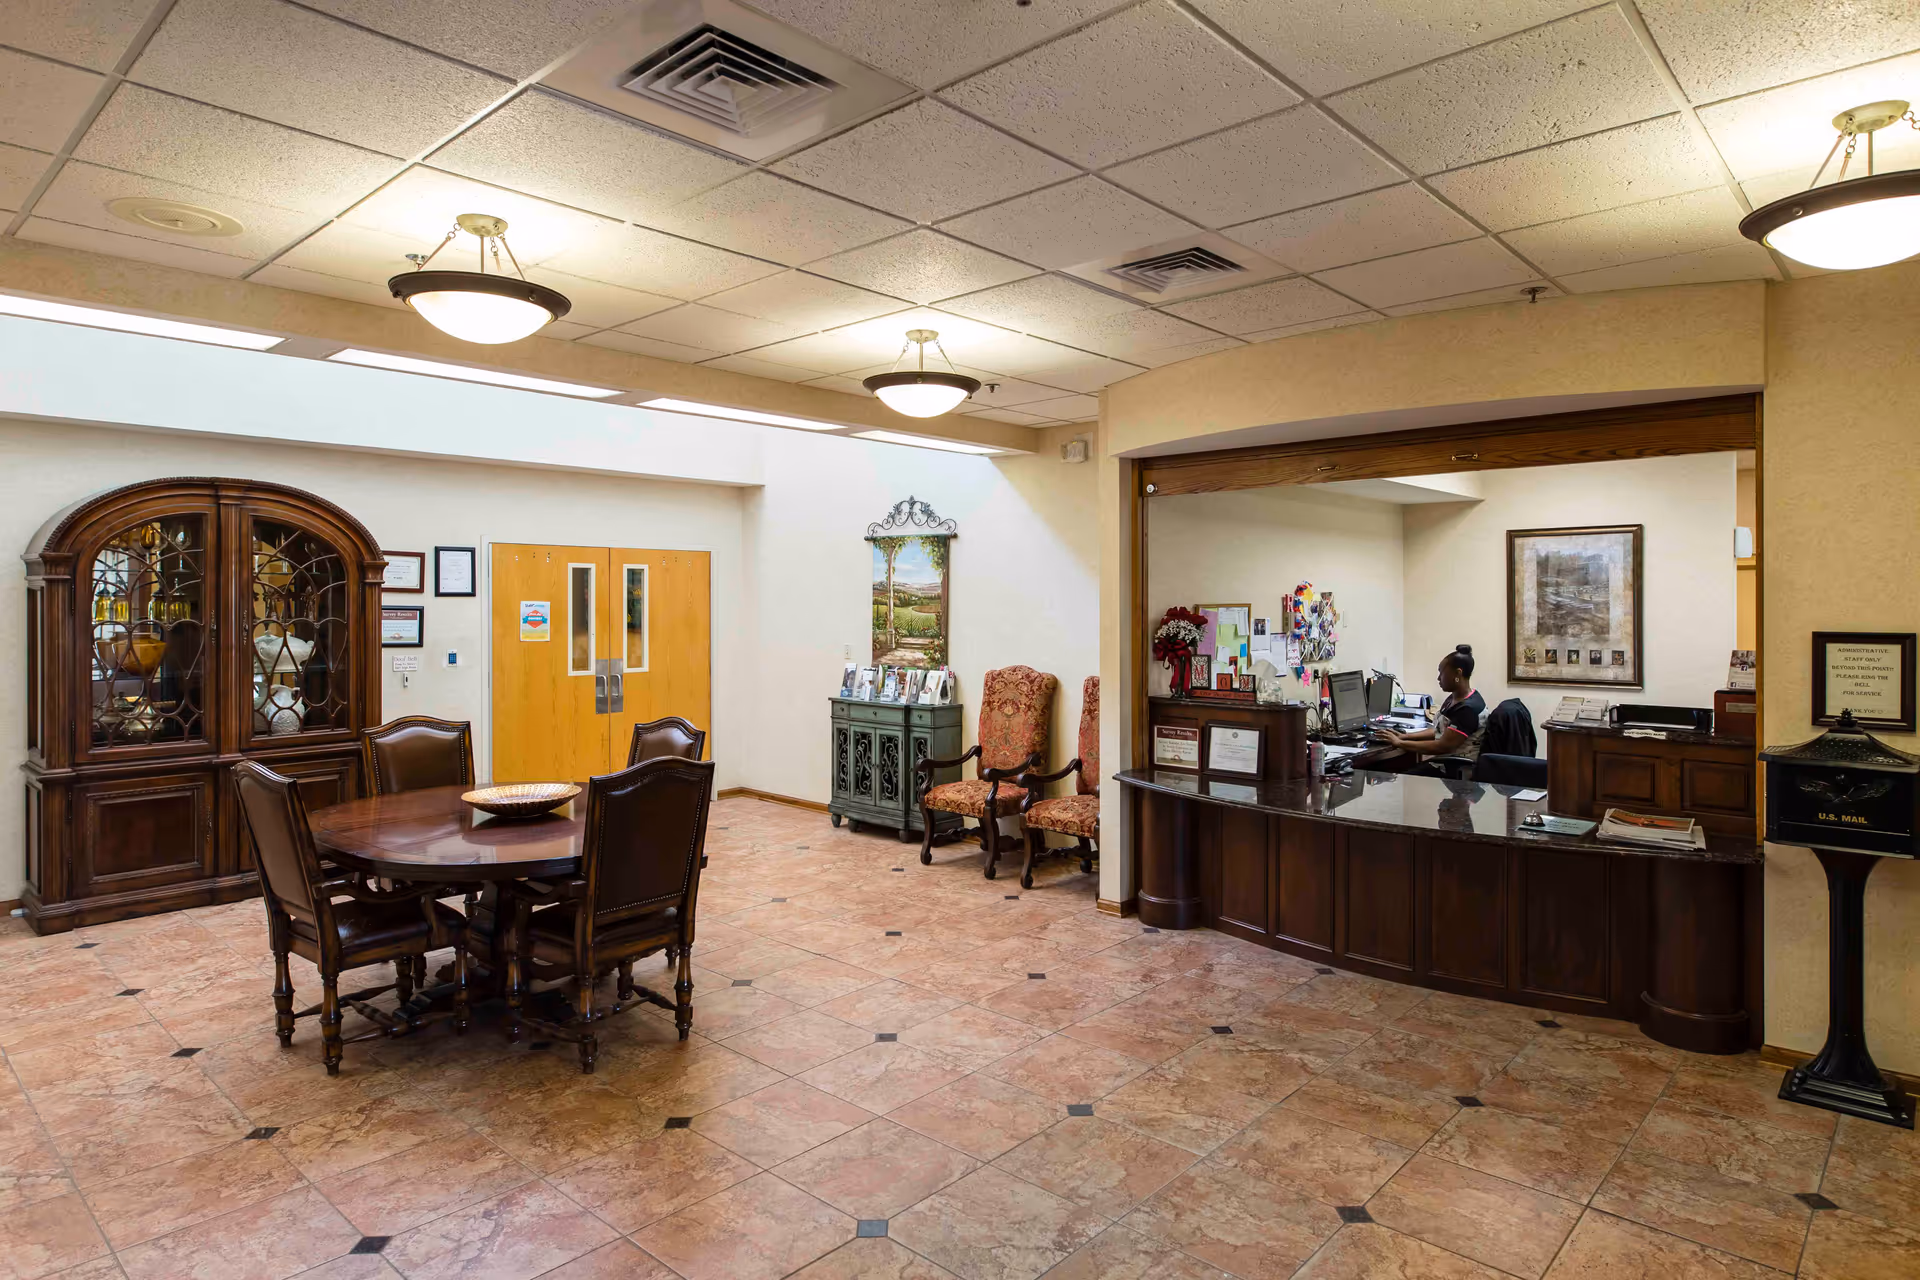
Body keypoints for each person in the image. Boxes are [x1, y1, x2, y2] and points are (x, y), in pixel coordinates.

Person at [1379, 644, 1485, 773]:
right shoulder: (1455, 698)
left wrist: (1399, 743)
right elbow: (1440, 731)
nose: (1438, 678)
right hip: (1445, 763)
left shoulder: (1468, 709)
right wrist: (1404, 736)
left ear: (1458, 673)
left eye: (1442, 673)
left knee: (1399, 774)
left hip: (1456, 769)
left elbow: (1442, 746)